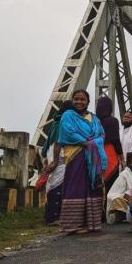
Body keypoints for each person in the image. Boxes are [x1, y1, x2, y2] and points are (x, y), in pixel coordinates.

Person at [57, 89, 107, 234]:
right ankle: (72, 225)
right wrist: (87, 142)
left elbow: (101, 134)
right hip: (76, 154)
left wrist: (92, 143)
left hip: (93, 156)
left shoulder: (94, 118)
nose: (79, 102)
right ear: (72, 101)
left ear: (88, 102)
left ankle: (91, 223)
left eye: (82, 99)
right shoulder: (67, 115)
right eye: (76, 99)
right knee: (75, 187)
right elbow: (68, 132)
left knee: (91, 187)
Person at [41, 100, 73, 224]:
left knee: (52, 183)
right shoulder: (64, 122)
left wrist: (45, 156)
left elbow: (48, 140)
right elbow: (59, 141)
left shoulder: (56, 121)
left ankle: (50, 215)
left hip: (51, 152)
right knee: (58, 183)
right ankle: (54, 217)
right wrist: (55, 160)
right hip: (59, 154)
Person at [96, 96, 124, 194]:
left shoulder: (93, 121)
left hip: (95, 153)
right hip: (110, 153)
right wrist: (122, 159)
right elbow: (116, 140)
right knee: (111, 185)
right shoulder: (113, 121)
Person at [106, 152, 132, 224]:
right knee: (116, 200)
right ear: (129, 164)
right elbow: (112, 194)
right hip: (127, 202)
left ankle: (126, 216)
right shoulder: (124, 174)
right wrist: (125, 196)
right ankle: (125, 215)